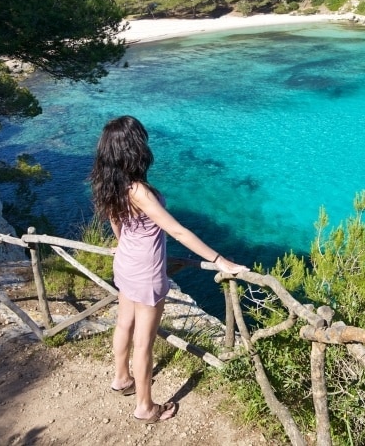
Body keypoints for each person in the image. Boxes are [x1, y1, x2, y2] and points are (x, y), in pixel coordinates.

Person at [89, 115, 249, 424]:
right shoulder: (139, 191)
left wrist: (122, 244)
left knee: (124, 325)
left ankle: (121, 378)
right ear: (133, 149)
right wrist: (219, 260)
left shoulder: (111, 183)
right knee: (144, 342)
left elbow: (114, 221)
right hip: (146, 272)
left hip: (125, 264)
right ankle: (145, 407)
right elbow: (177, 232)